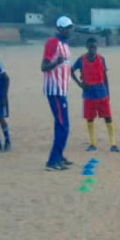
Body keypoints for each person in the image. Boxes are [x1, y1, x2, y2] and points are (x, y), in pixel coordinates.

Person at [70, 37, 119, 152]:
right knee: (90, 119)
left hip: (102, 93)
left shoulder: (101, 59)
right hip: (88, 94)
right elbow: (70, 71)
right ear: (87, 47)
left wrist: (108, 92)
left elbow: (105, 77)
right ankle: (93, 143)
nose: (93, 49)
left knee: (108, 117)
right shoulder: (81, 60)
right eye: (91, 47)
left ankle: (113, 143)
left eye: (95, 47)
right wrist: (79, 84)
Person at [41, 16, 74, 170]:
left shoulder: (65, 44)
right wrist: (56, 63)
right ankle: (53, 161)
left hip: (62, 90)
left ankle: (59, 156)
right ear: (60, 28)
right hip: (54, 90)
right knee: (63, 125)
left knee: (61, 125)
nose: (69, 30)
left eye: (70, 27)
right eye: (67, 28)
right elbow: (44, 66)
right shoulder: (52, 43)